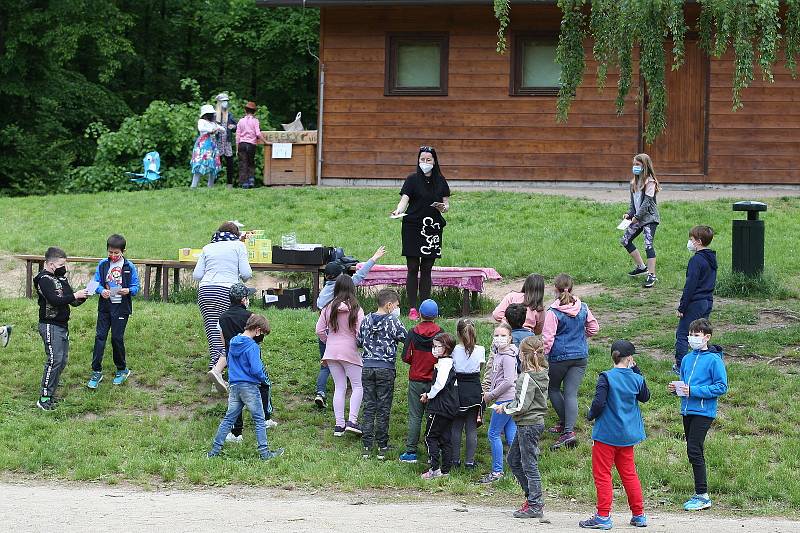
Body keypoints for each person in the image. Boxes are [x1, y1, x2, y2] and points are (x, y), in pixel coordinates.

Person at [580, 340, 650, 529]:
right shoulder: (637, 379)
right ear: (630, 358)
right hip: (627, 436)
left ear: (613, 356)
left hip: (606, 435)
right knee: (629, 474)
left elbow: (598, 403)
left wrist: (590, 415)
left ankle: (603, 516)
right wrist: (637, 371)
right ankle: (639, 514)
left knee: (603, 475)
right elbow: (645, 397)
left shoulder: (606, 377)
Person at [314, 245, 386, 409]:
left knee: (325, 365)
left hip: (327, 335)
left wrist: (327, 338)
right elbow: (361, 274)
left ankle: (320, 392)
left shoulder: (324, 294)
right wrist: (374, 258)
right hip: (345, 339)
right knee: (353, 378)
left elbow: (319, 321)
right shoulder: (348, 291)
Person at [668, 319, 728, 512]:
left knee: (694, 450)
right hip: (687, 410)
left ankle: (703, 495)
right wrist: (676, 388)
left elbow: (721, 386)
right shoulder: (686, 359)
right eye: (691, 334)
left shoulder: (714, 360)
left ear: (707, 337)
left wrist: (693, 390)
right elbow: (685, 384)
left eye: (697, 335)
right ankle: (700, 494)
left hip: (704, 412)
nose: (692, 338)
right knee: (693, 451)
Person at [207, 314, 283, 460]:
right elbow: (256, 369)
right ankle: (265, 453)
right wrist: (262, 378)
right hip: (249, 387)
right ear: (257, 330)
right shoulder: (252, 347)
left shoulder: (233, 342)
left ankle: (214, 451)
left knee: (228, 419)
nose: (261, 336)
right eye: (262, 333)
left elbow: (228, 361)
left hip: (235, 386)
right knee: (259, 420)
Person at [390, 146, 451, 320]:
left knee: (426, 268)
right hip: (413, 226)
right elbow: (404, 200)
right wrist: (397, 210)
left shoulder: (441, 180)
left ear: (434, 161)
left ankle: (426, 307)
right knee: (412, 267)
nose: (425, 163)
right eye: (422, 159)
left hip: (432, 228)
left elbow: (446, 205)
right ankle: (412, 308)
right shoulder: (412, 179)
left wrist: (443, 207)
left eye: (428, 160)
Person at [542, 273, 600, 450]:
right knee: (571, 393)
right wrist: (582, 337)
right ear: (572, 288)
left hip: (559, 357)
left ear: (555, 289)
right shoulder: (583, 307)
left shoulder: (553, 312)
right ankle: (568, 430)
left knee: (552, 388)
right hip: (580, 356)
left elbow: (548, 338)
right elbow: (594, 328)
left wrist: (544, 356)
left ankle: (566, 427)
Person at [500, 336, 549, 519]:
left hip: (529, 424)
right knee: (513, 460)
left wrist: (504, 407)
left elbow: (521, 405)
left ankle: (535, 504)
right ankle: (532, 498)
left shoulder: (526, 377)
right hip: (529, 423)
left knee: (529, 465)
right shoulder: (543, 372)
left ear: (522, 355)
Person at [34, 247, 90, 410]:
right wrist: (74, 295)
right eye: (60, 264)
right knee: (54, 360)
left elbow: (72, 301)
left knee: (61, 361)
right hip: (50, 325)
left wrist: (84, 295)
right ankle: (44, 398)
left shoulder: (60, 278)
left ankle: (50, 395)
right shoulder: (43, 279)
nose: (63, 267)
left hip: (62, 325)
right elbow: (55, 300)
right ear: (51, 264)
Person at [193, 222, 252, 371]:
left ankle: (215, 367)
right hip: (227, 292)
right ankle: (223, 369)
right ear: (236, 234)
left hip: (206, 291)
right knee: (229, 331)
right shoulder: (239, 246)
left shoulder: (208, 247)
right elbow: (246, 274)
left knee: (213, 331)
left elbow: (197, 275)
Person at [357, 288, 408, 459]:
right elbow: (406, 338)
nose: (397, 308)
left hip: (367, 368)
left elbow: (359, 341)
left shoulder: (365, 320)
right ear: (388, 305)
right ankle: (382, 447)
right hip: (385, 368)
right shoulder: (393, 322)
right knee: (383, 408)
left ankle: (366, 446)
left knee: (369, 406)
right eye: (396, 305)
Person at [87, 234, 139, 389]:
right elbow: (94, 283)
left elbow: (136, 288)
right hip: (105, 307)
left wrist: (127, 290)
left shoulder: (129, 267)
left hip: (121, 308)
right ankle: (96, 371)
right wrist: (101, 290)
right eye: (110, 252)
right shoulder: (102, 265)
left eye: (116, 253)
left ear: (123, 251)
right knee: (100, 337)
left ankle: (122, 370)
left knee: (117, 338)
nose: (113, 255)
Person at [315, 275, 365, 437]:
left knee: (339, 387)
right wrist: (358, 343)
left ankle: (339, 425)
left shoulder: (328, 307)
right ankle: (352, 421)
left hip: (331, 351)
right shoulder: (357, 308)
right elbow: (360, 333)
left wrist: (329, 341)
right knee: (357, 386)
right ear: (352, 288)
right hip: (349, 350)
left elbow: (319, 330)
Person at [399, 299, 443, 463]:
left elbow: (405, 356)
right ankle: (433, 451)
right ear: (436, 316)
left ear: (419, 314)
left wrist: (416, 363)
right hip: (434, 381)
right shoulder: (440, 332)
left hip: (416, 380)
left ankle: (411, 452)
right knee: (432, 416)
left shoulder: (412, 331)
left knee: (415, 416)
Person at [479, 323, 519, 484]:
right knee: (511, 434)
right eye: (496, 335)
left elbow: (509, 381)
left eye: (503, 336)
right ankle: (518, 470)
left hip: (505, 400)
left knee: (493, 433)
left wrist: (492, 394)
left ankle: (497, 471)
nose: (499, 339)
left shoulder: (508, 357)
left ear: (510, 338)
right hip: (507, 399)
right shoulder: (499, 354)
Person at [675, 225, 717, 370]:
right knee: (702, 333)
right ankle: (704, 362)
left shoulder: (696, 260)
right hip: (707, 301)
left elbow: (690, 286)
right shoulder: (711, 258)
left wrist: (682, 307)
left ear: (698, 241)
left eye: (691, 239)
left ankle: (680, 366)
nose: (690, 242)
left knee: (683, 334)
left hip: (695, 303)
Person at [419, 332, 459, 479]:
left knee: (430, 436)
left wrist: (428, 395)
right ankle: (446, 471)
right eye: (433, 346)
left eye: (437, 346)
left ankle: (434, 469)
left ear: (446, 348)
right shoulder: (450, 363)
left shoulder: (444, 364)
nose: (434, 349)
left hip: (440, 407)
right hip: (450, 407)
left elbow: (440, 384)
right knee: (445, 439)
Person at [620, 153, 661, 288]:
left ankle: (651, 275)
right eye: (633, 164)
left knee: (648, 244)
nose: (634, 167)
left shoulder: (650, 182)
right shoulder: (633, 183)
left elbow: (646, 203)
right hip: (637, 218)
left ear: (645, 166)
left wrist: (636, 217)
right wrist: (629, 214)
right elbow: (634, 204)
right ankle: (641, 267)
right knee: (625, 240)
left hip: (649, 218)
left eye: (637, 164)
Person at [450, 318, 485, 469]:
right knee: (471, 428)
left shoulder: (454, 350)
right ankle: (470, 462)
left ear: (458, 333)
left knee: (456, 427)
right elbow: (480, 368)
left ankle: (455, 461)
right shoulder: (481, 349)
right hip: (474, 390)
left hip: (458, 390)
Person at [190, 103, 225, 188]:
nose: (212, 115)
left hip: (212, 146)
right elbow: (201, 128)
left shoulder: (213, 123)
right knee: (199, 164)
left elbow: (223, 130)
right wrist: (211, 130)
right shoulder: (201, 121)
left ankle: (210, 186)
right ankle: (193, 186)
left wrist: (217, 128)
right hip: (203, 146)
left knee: (213, 165)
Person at [236, 101, 265, 189]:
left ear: (245, 110)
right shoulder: (255, 121)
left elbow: (237, 136)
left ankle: (245, 183)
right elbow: (258, 133)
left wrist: (237, 148)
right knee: (251, 162)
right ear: (254, 112)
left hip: (242, 144)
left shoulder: (241, 121)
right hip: (252, 144)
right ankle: (251, 180)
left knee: (243, 163)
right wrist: (265, 141)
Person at [214, 93, 238, 189]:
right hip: (217, 142)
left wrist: (233, 127)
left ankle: (229, 184)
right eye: (223, 101)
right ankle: (212, 183)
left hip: (227, 142)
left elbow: (236, 127)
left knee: (230, 163)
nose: (225, 103)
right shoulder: (214, 115)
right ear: (219, 102)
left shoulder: (229, 114)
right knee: (216, 163)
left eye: (226, 101)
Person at [506, 303, 534, 373]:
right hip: (528, 373)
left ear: (506, 320)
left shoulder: (506, 337)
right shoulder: (531, 335)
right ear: (524, 319)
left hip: (511, 373)